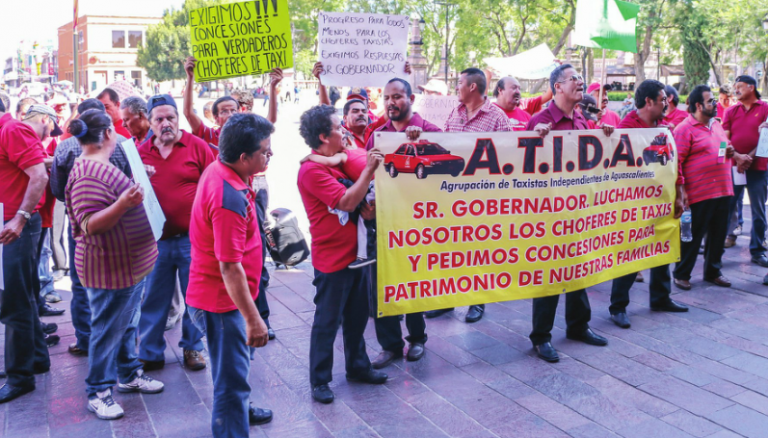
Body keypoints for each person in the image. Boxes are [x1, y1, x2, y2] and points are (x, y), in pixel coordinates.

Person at [65, 109, 163, 420]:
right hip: (109, 269)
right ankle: (99, 391)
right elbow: (91, 223)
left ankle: (129, 374)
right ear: (108, 133)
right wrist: (124, 203)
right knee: (107, 329)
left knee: (125, 323)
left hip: (126, 267)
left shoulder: (99, 165)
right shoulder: (87, 172)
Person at [187, 113, 274, 435]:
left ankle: (241, 410)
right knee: (230, 383)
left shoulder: (224, 169)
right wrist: (253, 319)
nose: (270, 155)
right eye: (265, 151)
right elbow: (229, 265)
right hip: (222, 304)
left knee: (235, 371)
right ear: (244, 157)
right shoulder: (228, 197)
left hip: (226, 298)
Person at [298, 105, 388, 404]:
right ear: (324, 136)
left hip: (357, 254)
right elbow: (347, 202)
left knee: (357, 318)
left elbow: (362, 202)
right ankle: (320, 380)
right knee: (327, 322)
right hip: (332, 259)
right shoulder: (311, 171)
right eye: (339, 128)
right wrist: (369, 172)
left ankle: (358, 367)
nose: (345, 132)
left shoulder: (337, 162)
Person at [526, 64, 613, 363]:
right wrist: (533, 141)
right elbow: (521, 167)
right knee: (549, 275)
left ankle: (578, 325)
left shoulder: (582, 120)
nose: (580, 82)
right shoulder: (539, 121)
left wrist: (605, 136)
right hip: (548, 214)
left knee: (579, 268)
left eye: (580, 77)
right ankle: (541, 336)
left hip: (578, 213)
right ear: (557, 87)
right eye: (574, 78)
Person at [360, 78, 441, 369]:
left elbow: (445, 167)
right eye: (387, 98)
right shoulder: (378, 135)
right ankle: (390, 345)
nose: (391, 102)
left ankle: (416, 339)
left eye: (397, 97)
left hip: (417, 221)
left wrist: (422, 142)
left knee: (413, 279)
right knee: (382, 283)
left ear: (411, 98)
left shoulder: (429, 131)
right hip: (383, 222)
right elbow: (368, 173)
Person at [425, 67, 511, 324]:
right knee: (450, 248)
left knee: (478, 250)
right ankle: (447, 299)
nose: (456, 87)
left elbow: (508, 157)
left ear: (472, 87)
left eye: (459, 82)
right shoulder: (455, 112)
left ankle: (477, 301)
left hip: (482, 199)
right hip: (453, 196)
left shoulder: (497, 118)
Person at [137, 95, 214, 372]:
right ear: (149, 121)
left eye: (171, 117)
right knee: (154, 297)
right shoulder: (140, 153)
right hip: (155, 242)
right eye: (159, 119)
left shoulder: (198, 146)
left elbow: (213, 185)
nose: (166, 123)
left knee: (195, 296)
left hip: (193, 240)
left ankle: (193, 348)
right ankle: (149, 351)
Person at [50, 98, 132, 357]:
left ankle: (86, 339)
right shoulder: (122, 144)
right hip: (120, 224)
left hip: (82, 227)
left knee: (82, 282)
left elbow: (58, 190)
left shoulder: (64, 149)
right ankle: (121, 343)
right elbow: (133, 180)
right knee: (122, 283)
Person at [606, 80, 689, 329]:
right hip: (634, 204)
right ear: (649, 102)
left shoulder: (663, 128)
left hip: (661, 199)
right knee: (631, 252)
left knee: (663, 246)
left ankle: (661, 298)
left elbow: (674, 163)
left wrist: (679, 191)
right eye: (663, 99)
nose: (667, 103)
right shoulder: (626, 127)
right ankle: (617, 306)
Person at [0, 104, 59, 403]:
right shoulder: (8, 131)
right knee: (20, 295)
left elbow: (39, 176)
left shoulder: (12, 129)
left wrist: (20, 218)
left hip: (16, 226)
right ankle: (35, 359)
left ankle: (20, 376)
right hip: (11, 225)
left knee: (14, 300)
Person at [674, 85, 750, 290]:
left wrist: (733, 154)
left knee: (717, 235)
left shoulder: (715, 125)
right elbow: (676, 163)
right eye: (710, 101)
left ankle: (713, 271)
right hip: (698, 194)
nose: (715, 104)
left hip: (723, 189)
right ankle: (682, 274)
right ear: (698, 105)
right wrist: (682, 192)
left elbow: (724, 147)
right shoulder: (684, 129)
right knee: (693, 237)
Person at [723, 76, 768, 266]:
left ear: (752, 87)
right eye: (735, 87)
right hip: (735, 168)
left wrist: (747, 157)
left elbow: (766, 137)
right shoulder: (731, 111)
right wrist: (738, 158)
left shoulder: (765, 109)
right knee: (727, 207)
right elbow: (723, 139)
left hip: (759, 169)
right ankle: (716, 250)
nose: (736, 90)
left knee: (758, 211)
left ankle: (757, 250)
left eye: (740, 87)